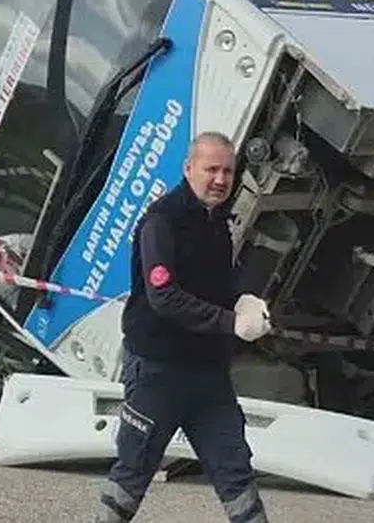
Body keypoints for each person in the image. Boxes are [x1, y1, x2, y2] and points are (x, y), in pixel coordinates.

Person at [96, 132, 272, 523]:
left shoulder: (217, 224)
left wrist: (244, 298)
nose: (220, 180)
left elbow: (218, 284)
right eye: (211, 169)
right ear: (188, 169)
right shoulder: (162, 222)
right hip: (159, 372)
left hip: (208, 377)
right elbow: (165, 298)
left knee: (236, 472)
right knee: (132, 475)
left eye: (227, 171)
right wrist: (231, 322)